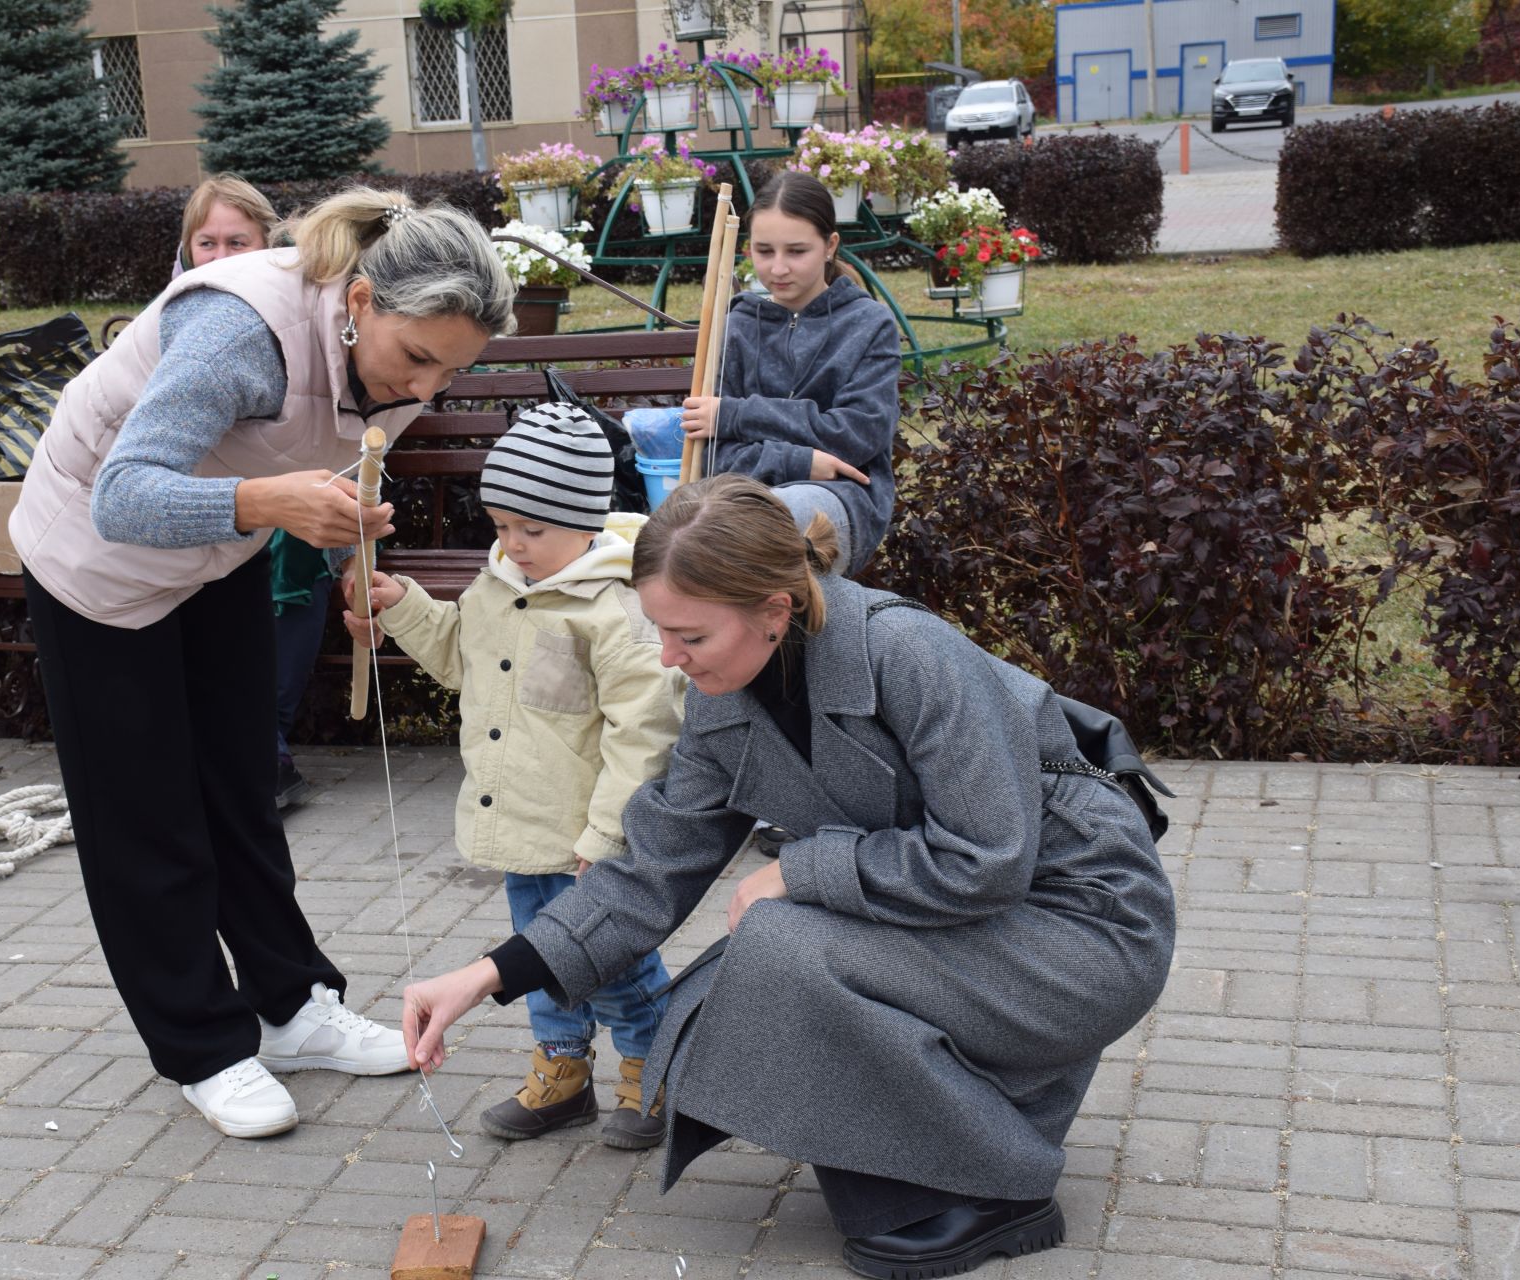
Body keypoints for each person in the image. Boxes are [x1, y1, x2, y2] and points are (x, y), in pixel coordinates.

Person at [397, 475, 1175, 1280]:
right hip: (973, 922)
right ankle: (952, 1143)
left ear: (775, 610)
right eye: (660, 631)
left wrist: (801, 871)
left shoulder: (908, 652)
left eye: (689, 636)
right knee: (760, 966)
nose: (668, 657)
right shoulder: (721, 698)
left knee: (782, 946)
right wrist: (488, 976)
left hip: (1086, 928)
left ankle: (1004, 1188)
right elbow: (649, 871)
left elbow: (987, 859)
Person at [9, 188, 515, 1141]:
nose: (425, 392)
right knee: (147, 818)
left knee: (242, 789)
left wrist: (350, 568)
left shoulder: (405, 362)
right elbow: (123, 497)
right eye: (417, 360)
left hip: (219, 553)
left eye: (449, 373)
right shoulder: (237, 332)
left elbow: (338, 472)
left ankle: (291, 1008)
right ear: (359, 300)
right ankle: (202, 1045)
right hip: (96, 561)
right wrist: (263, 504)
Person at [344, 404, 687, 1149]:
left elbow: (646, 730)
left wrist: (610, 830)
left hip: (587, 838)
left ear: (586, 519)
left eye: (532, 529)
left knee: (612, 961)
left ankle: (652, 1064)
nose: (513, 544)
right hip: (521, 826)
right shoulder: (497, 583)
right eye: (501, 525)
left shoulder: (616, 605)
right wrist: (404, 609)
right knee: (533, 950)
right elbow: (459, 662)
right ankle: (563, 1071)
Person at [169, 175, 319, 809]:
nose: (222, 258)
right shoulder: (175, 312)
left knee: (296, 542)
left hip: (288, 487)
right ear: (186, 250)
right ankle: (229, 743)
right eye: (207, 243)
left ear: (268, 244)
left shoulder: (294, 312)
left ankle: (269, 738)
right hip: (202, 496)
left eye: (238, 241)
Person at [679, 170, 902, 578]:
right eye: (764, 251)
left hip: (837, 497)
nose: (778, 268)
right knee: (681, 536)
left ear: (829, 246)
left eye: (796, 251)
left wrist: (735, 415)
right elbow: (711, 454)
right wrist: (800, 460)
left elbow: (854, 437)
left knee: (768, 530)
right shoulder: (736, 326)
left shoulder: (870, 325)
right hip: (739, 494)